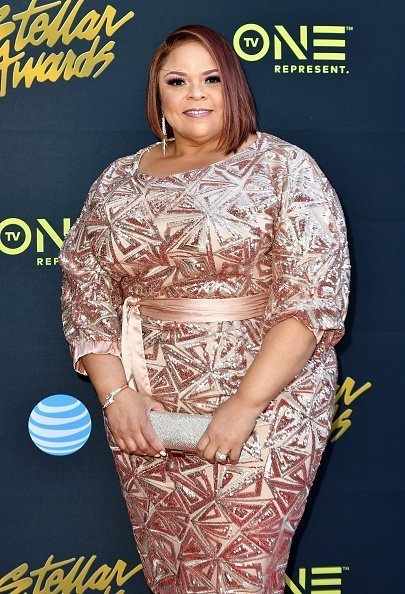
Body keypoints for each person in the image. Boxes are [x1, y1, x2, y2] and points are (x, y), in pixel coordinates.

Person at [58, 23, 350, 594]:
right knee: (173, 577)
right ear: (158, 94)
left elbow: (310, 304)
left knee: (240, 576)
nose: (196, 94)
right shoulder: (117, 181)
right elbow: (85, 296)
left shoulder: (285, 168)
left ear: (232, 87)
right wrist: (117, 398)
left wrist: (244, 405)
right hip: (148, 416)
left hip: (268, 410)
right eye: (178, 80)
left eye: (211, 78)